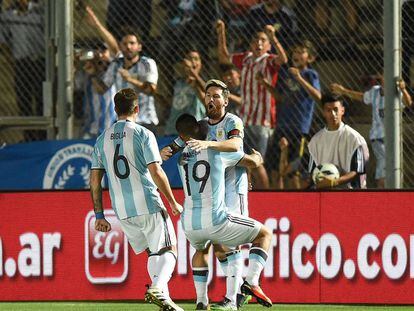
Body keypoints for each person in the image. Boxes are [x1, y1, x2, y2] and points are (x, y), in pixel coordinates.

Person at [89, 88, 183, 311]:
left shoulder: (102, 139)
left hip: (123, 210)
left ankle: (165, 302)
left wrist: (99, 215)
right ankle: (158, 287)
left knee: (153, 252)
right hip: (148, 202)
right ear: (137, 109)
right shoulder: (143, 134)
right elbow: (155, 171)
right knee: (169, 250)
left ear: (115, 109)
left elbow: (94, 180)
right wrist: (172, 201)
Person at [161, 79, 251, 310]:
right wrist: (163, 153)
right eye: (208, 95)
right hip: (211, 189)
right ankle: (209, 299)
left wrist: (207, 145)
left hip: (233, 185)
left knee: (228, 242)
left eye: (216, 96)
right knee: (209, 245)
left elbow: (235, 146)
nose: (211, 99)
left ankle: (233, 299)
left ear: (226, 100)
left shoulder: (233, 121)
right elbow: (178, 143)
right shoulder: (200, 125)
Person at [175, 113, 273, 310]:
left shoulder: (181, 160)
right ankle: (251, 282)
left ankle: (201, 301)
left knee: (201, 251)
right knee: (264, 234)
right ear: (199, 130)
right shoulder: (217, 153)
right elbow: (252, 162)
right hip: (215, 218)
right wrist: (257, 156)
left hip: (190, 223)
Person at [216, 19, 288, 189]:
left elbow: (283, 59)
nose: (259, 43)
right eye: (256, 40)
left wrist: (274, 37)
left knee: (257, 161)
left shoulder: (269, 60)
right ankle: (249, 193)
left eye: (263, 40)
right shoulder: (246, 58)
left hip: (262, 120)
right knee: (244, 160)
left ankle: (265, 196)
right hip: (245, 118)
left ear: (268, 46)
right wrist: (221, 33)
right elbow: (223, 57)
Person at [258, 40, 321, 189]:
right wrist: (265, 83)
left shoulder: (311, 74)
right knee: (275, 168)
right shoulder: (285, 74)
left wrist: (299, 78)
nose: (296, 54)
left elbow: (318, 96)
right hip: (282, 125)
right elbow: (280, 97)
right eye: (295, 52)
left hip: (298, 129)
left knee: (293, 171)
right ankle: (277, 199)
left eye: (301, 52)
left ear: (310, 58)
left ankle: (296, 202)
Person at [330, 76, 412, 188]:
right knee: (384, 161)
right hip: (378, 136)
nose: (384, 80)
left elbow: (408, 103)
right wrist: (343, 91)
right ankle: (383, 188)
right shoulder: (375, 91)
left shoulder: (396, 93)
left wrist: (403, 89)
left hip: (394, 137)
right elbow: (362, 97)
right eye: (383, 77)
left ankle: (388, 188)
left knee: (393, 165)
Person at [92, 28, 159, 134]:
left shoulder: (147, 63)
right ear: (120, 46)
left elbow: (151, 90)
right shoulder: (116, 65)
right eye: (125, 44)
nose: (128, 47)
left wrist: (130, 79)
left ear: (139, 46)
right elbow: (101, 89)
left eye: (132, 43)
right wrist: (93, 73)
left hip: (145, 121)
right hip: (123, 122)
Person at [0, 0, 45, 140]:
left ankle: (43, 137)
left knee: (41, 101)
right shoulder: (8, 15)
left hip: (40, 61)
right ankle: (28, 137)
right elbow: (4, 40)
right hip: (21, 62)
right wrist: (10, 57)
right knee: (23, 101)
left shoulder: (40, 11)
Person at [308, 93, 369, 189]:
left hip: (353, 194)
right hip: (325, 195)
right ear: (323, 112)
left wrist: (334, 182)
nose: (333, 114)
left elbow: (357, 171)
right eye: (328, 110)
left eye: (335, 109)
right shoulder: (315, 141)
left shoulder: (355, 139)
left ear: (342, 110)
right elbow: (313, 172)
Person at [164, 48, 206, 135]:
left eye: (196, 59)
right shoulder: (178, 83)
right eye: (190, 59)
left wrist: (192, 72)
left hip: (193, 131)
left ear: (201, 64)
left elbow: (207, 92)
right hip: (173, 129)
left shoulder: (202, 83)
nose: (192, 62)